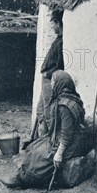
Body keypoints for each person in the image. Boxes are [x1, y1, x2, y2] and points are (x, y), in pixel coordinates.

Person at [0, 70, 95, 189]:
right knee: (32, 147)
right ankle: (22, 173)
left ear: (61, 84)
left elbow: (66, 134)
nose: (51, 85)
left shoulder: (65, 106)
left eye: (54, 82)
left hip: (70, 143)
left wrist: (59, 154)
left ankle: (24, 181)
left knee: (41, 156)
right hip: (61, 138)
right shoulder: (72, 99)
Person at [27, 10, 64, 146]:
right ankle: (42, 142)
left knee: (49, 112)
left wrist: (46, 74)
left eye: (53, 23)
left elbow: (60, 65)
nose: (52, 27)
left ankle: (52, 143)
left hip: (50, 80)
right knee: (41, 110)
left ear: (59, 24)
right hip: (46, 81)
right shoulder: (58, 40)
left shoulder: (61, 42)